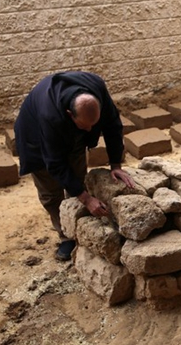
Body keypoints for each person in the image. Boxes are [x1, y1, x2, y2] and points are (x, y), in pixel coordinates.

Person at [15, 71, 135, 261]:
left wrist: (115, 164)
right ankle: (66, 236)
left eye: (92, 125)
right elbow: (54, 163)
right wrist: (87, 200)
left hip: (69, 133)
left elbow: (113, 126)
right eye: (84, 126)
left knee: (78, 181)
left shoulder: (97, 88)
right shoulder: (50, 115)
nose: (89, 130)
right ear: (70, 114)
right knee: (51, 192)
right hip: (36, 141)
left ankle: (81, 227)